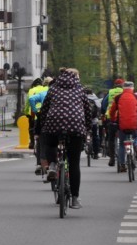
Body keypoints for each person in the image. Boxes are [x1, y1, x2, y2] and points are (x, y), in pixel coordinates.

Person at [36, 68, 94, 209]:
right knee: (74, 163)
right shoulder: (80, 89)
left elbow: (44, 110)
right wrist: (87, 129)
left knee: (50, 144)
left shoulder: (53, 89)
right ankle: (75, 199)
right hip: (75, 127)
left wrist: (43, 128)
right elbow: (88, 111)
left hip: (54, 124)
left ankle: (53, 165)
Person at [108, 81, 137, 173]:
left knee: (122, 144)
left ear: (123, 88)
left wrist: (113, 119)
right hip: (134, 124)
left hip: (122, 124)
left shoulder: (118, 97)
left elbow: (112, 111)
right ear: (132, 88)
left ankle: (122, 165)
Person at [26, 76, 51, 174]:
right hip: (56, 120)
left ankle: (39, 163)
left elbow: (29, 102)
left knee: (38, 139)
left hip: (38, 116)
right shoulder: (57, 91)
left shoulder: (33, 90)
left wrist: (32, 112)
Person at [101, 78, 125, 167]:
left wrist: (104, 112)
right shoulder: (125, 92)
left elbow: (103, 104)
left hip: (111, 117)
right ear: (123, 85)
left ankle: (112, 158)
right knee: (125, 137)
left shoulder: (110, 92)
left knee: (111, 138)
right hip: (122, 117)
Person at [24, 78, 47, 149]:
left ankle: (32, 142)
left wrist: (26, 112)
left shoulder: (31, 90)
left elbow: (28, 103)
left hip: (34, 112)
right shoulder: (45, 89)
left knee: (31, 127)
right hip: (44, 111)